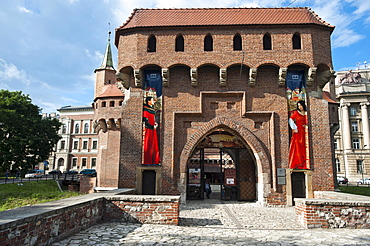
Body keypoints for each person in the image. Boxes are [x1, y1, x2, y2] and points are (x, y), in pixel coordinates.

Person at [288, 100, 308, 169]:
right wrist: (294, 128)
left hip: (305, 132)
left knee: (305, 147)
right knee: (297, 147)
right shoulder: (296, 113)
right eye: (298, 106)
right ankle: (298, 163)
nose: (300, 107)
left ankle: (305, 163)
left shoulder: (306, 113)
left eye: (301, 105)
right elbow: (290, 120)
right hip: (298, 132)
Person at [143, 96, 161, 164]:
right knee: (148, 144)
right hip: (149, 130)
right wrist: (152, 126)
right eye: (152, 100)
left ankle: (155, 159)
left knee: (154, 145)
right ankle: (148, 160)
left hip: (153, 130)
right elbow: (145, 121)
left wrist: (155, 124)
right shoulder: (145, 109)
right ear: (148, 101)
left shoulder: (152, 109)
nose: (153, 101)